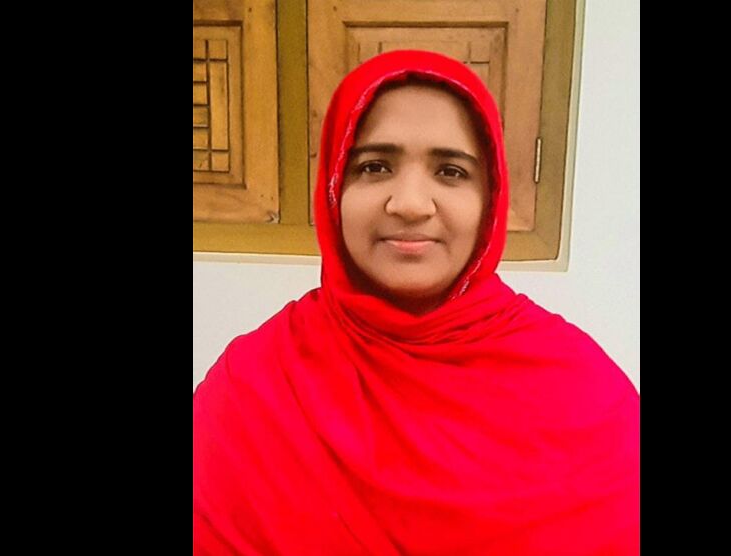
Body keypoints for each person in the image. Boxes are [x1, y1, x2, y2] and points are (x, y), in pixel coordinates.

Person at [193, 50, 639, 555]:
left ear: (490, 199)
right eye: (374, 166)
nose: (408, 204)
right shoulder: (254, 386)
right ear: (335, 187)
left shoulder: (582, 395)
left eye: (450, 171)